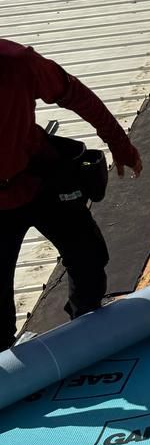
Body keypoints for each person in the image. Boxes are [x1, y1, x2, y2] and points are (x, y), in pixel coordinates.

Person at [0, 37, 142, 351]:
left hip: (40, 178)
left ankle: (88, 325)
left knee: (88, 257)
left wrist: (119, 144)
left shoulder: (16, 62)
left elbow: (75, 94)